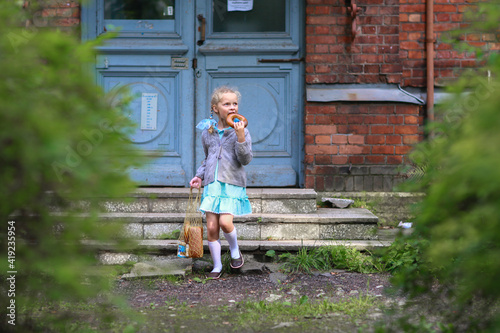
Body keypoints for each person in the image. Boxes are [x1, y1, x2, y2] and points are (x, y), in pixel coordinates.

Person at [189, 86, 252, 279]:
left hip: (231, 183)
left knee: (225, 222)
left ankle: (234, 250)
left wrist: (240, 137)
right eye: (227, 104)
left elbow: (245, 159)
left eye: (235, 103)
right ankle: (216, 266)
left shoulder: (242, 131)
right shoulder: (208, 132)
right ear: (215, 108)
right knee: (212, 227)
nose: (232, 107)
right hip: (212, 183)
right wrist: (199, 176)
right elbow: (208, 157)